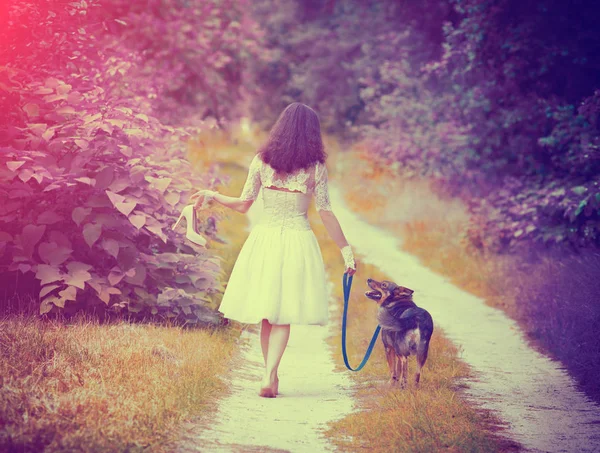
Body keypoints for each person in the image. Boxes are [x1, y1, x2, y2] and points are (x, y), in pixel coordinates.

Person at [190, 102, 357, 398]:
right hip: (297, 240)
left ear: (280, 128)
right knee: (282, 314)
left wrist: (213, 195)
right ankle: (270, 374)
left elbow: (243, 204)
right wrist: (346, 251)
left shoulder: (261, 161)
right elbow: (326, 212)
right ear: (311, 134)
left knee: (268, 313)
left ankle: (270, 375)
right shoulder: (315, 168)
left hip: (264, 240)